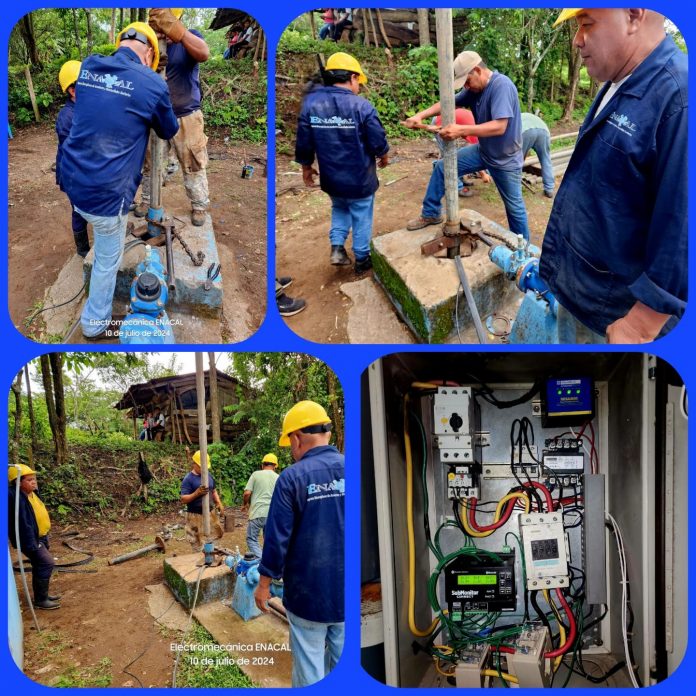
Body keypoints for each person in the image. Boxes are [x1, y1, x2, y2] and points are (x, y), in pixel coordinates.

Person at [539, 8, 687, 343]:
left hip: (614, 317)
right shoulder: (618, 81)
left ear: (634, 15)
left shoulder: (679, 100)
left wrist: (641, 324)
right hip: (580, 291)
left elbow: (682, 228)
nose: (577, 40)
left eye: (587, 24)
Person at [59, 21, 179, 340]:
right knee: (106, 261)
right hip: (107, 196)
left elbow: (101, 109)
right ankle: (94, 324)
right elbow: (168, 130)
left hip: (73, 183)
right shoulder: (152, 84)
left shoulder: (90, 66)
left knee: (99, 225)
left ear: (120, 42)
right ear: (150, 52)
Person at [254, 401, 345, 687]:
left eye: (289, 444)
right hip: (349, 596)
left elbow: (276, 537)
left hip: (308, 597)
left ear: (295, 438)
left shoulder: (292, 478)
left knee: (309, 671)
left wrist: (264, 584)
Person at [404, 51, 530, 240]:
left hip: (506, 159)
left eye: (467, 81)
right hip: (484, 151)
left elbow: (499, 126)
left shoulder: (501, 86)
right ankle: (431, 213)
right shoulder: (474, 90)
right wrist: (420, 116)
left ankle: (523, 251)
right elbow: (448, 102)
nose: (466, 87)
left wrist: (461, 130)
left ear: (477, 70)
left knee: (515, 208)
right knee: (441, 167)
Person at [295, 52, 389, 274]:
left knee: (339, 207)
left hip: (332, 179)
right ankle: (362, 258)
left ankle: (337, 248)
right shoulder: (362, 107)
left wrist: (306, 167)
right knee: (361, 213)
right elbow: (377, 140)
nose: (360, 87)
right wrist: (384, 155)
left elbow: (304, 142)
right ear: (353, 77)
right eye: (359, 82)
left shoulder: (311, 106)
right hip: (360, 180)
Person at [135, 9, 211, 227]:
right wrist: (151, 60)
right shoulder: (150, 43)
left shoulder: (190, 36)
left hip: (186, 114)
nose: (162, 28)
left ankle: (198, 204)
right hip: (156, 115)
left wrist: (179, 32)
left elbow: (203, 53)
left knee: (192, 161)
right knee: (150, 163)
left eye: (167, 22)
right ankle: (147, 200)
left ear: (176, 19)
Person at [8, 465, 60, 610]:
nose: (34, 482)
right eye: (29, 480)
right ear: (18, 482)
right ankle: (41, 600)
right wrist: (32, 542)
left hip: (42, 537)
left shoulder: (32, 493)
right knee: (46, 563)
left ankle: (42, 596)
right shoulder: (13, 495)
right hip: (30, 540)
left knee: (39, 565)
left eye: (34, 479)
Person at [55, 60, 89, 258]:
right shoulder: (66, 117)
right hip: (73, 173)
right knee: (78, 209)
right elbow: (73, 150)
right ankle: (82, 249)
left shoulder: (85, 109)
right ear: (72, 90)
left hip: (83, 170)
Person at [180, 450, 225, 551]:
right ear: (194, 464)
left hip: (210, 513)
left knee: (214, 537)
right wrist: (196, 493)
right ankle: (199, 558)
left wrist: (219, 502)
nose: (204, 469)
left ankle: (212, 555)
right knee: (197, 542)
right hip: (195, 515)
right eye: (201, 466)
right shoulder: (188, 479)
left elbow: (213, 490)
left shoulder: (208, 475)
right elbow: (183, 499)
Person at [242, 453, 280, 558]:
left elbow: (247, 493)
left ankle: (262, 560)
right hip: (272, 514)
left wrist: (245, 504)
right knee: (268, 540)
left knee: (251, 539)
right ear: (275, 466)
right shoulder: (278, 477)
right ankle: (269, 561)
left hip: (257, 513)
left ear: (262, 464)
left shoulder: (256, 474)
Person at [521, 112, 555, 198]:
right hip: (543, 130)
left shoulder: (515, 120)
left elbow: (520, 157)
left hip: (525, 131)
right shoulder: (526, 116)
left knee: (517, 159)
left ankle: (516, 186)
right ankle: (549, 189)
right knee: (545, 159)